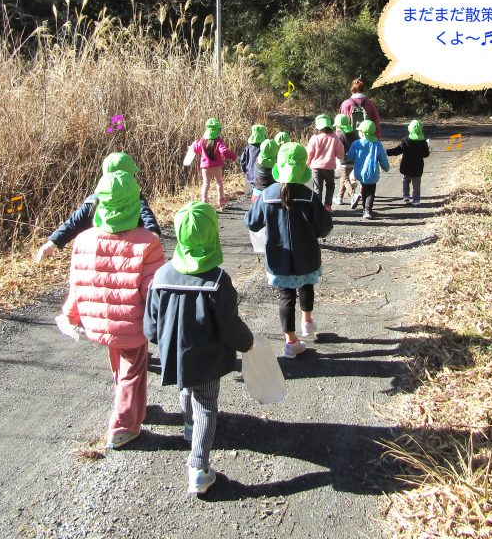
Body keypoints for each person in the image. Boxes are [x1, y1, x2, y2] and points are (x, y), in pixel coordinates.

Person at [144, 201, 255, 496]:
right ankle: (199, 467)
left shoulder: (161, 277)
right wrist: (247, 342)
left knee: (185, 389)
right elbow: (230, 326)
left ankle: (190, 428)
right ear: (213, 236)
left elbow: (151, 326)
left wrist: (162, 342)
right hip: (207, 359)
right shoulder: (218, 281)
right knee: (206, 404)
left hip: (175, 355)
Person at [60, 171, 165, 449]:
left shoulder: (84, 239)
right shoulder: (147, 242)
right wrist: (164, 323)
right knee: (133, 369)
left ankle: (134, 408)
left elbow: (77, 283)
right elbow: (153, 292)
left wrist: (71, 314)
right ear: (135, 202)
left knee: (120, 363)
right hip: (132, 322)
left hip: (99, 319)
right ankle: (123, 426)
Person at [245, 142, 333, 358]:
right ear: (302, 168)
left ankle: (291, 342)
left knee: (286, 297)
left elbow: (252, 223)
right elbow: (324, 227)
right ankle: (307, 322)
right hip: (307, 256)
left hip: (279, 258)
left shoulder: (267, 195)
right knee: (306, 286)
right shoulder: (309, 196)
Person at [35, 152, 159, 262]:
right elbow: (146, 216)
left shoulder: (94, 200)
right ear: (130, 176)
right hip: (128, 258)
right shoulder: (135, 198)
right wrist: (153, 235)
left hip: (99, 259)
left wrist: (51, 244)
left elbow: (73, 224)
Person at [189, 118, 237, 210]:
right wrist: (233, 156)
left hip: (205, 168)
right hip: (216, 167)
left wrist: (194, 145)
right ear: (218, 130)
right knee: (219, 182)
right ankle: (221, 201)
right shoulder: (219, 141)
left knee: (206, 184)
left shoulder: (203, 140)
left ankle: (204, 202)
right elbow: (224, 152)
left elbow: (195, 150)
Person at [347, 120, 390, 219]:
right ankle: (368, 210)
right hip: (372, 173)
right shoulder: (377, 144)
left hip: (360, 173)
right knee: (370, 192)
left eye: (359, 131)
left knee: (364, 190)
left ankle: (364, 209)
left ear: (362, 132)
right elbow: (383, 158)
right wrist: (386, 167)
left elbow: (350, 157)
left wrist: (347, 156)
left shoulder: (356, 143)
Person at [386, 120, 430, 206]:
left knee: (405, 182)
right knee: (416, 185)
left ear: (410, 129)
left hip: (406, 167)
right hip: (417, 167)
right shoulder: (423, 142)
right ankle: (416, 200)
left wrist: (387, 152)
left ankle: (406, 196)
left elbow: (398, 150)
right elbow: (426, 154)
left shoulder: (406, 140)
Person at [306, 114, 344, 212]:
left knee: (317, 188)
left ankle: (317, 207)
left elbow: (309, 152)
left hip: (316, 168)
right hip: (329, 168)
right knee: (330, 186)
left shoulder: (314, 138)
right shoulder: (335, 138)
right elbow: (340, 153)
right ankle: (327, 205)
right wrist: (341, 158)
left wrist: (308, 162)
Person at [333, 113, 359, 206]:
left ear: (338, 126)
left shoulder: (339, 136)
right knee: (344, 178)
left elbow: (336, 149)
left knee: (345, 179)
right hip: (354, 160)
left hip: (343, 161)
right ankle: (339, 197)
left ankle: (353, 194)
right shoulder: (354, 133)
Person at [238, 124, 267, 194]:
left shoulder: (248, 147)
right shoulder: (265, 148)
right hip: (261, 176)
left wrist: (244, 169)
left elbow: (243, 160)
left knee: (251, 193)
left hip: (250, 175)